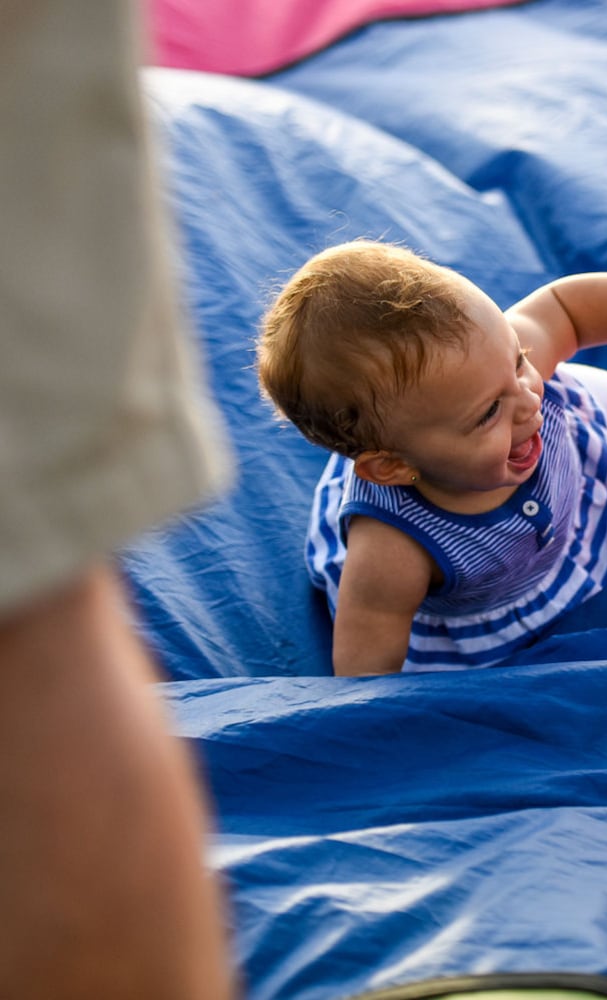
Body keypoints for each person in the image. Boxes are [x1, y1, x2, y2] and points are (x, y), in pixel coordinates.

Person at [0, 1, 240, 997]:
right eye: (489, 408)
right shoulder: (389, 539)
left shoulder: (551, 410)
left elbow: (548, 329)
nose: (524, 411)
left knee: (30, 599)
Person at [259, 240, 607, 676]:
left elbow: (564, 308)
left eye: (519, 360)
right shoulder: (390, 547)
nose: (530, 399)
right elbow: (366, 661)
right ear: (393, 467)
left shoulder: (516, 387)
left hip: (571, 454)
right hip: (489, 608)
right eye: (488, 412)